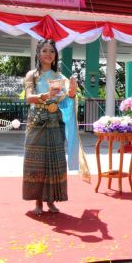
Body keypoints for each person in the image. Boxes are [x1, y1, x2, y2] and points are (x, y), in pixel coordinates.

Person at [22, 39, 90, 215]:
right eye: (44, 51)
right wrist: (46, 95)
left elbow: (67, 99)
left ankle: (51, 200)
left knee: (55, 161)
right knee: (37, 162)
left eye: (51, 51)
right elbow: (29, 97)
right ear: (38, 53)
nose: (48, 54)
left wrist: (73, 91)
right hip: (37, 119)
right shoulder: (32, 75)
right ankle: (38, 202)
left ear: (55, 56)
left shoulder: (61, 78)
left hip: (55, 121)